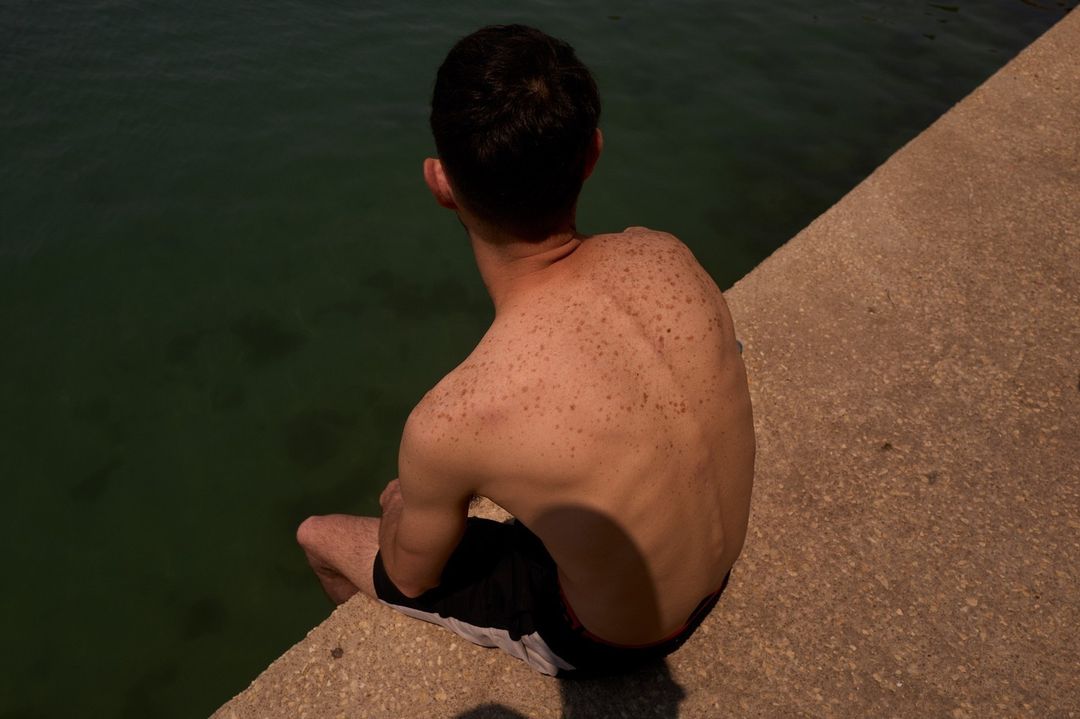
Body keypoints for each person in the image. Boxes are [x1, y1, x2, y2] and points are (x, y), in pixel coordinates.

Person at [296, 24, 755, 678]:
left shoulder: (455, 416)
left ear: (440, 183)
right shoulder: (669, 255)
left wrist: (401, 507)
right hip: (717, 566)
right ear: (592, 153)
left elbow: (410, 575)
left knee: (321, 535)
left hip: (617, 635)